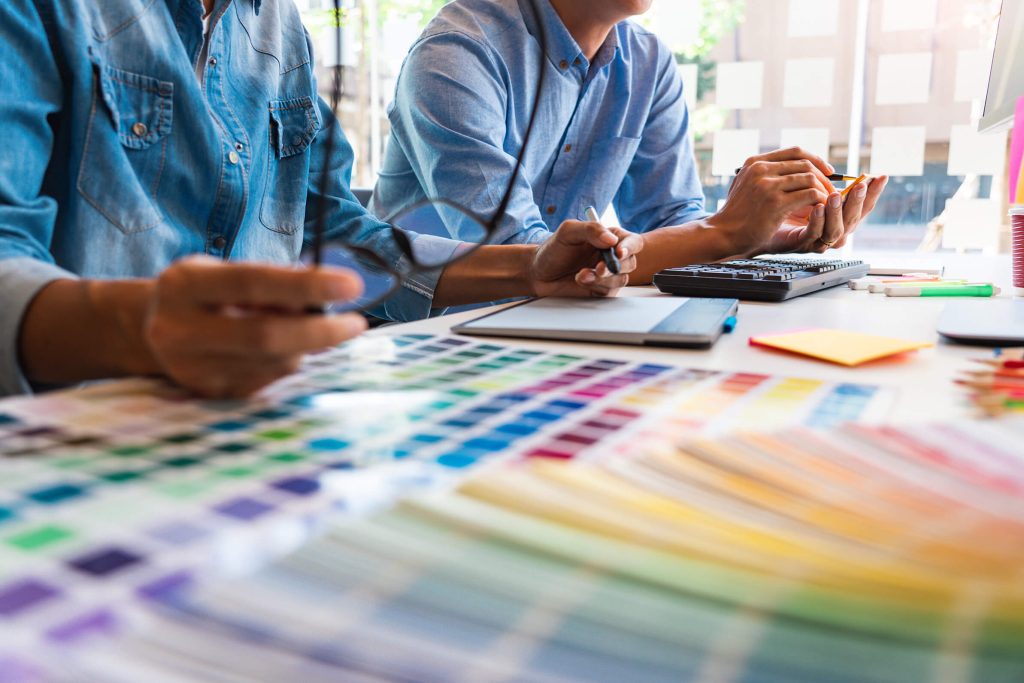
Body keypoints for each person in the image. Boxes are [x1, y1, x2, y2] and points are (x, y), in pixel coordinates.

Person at [0, 0, 641, 399]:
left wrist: (526, 268)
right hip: (69, 428)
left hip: (246, 419)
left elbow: (331, 235)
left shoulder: (281, 28)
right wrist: (134, 327)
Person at [371, 0, 888, 285]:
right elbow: (526, 255)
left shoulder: (648, 62)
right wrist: (726, 231)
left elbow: (673, 222)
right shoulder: (458, 51)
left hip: (546, 322)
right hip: (427, 332)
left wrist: (764, 237)